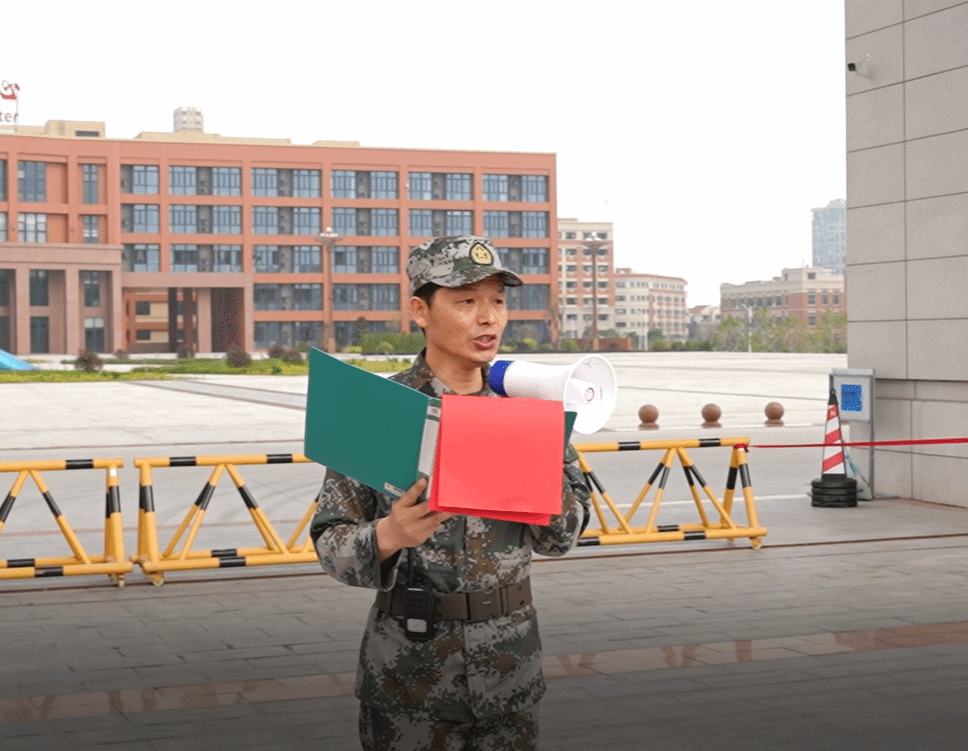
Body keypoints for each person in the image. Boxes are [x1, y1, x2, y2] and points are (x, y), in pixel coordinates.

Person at [310, 235, 590, 751]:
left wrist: (536, 468)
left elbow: (563, 538)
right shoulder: (377, 408)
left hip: (509, 671)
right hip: (408, 679)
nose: (488, 318)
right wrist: (389, 535)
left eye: (498, 301)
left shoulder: (529, 410)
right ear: (420, 310)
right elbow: (330, 544)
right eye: (466, 301)